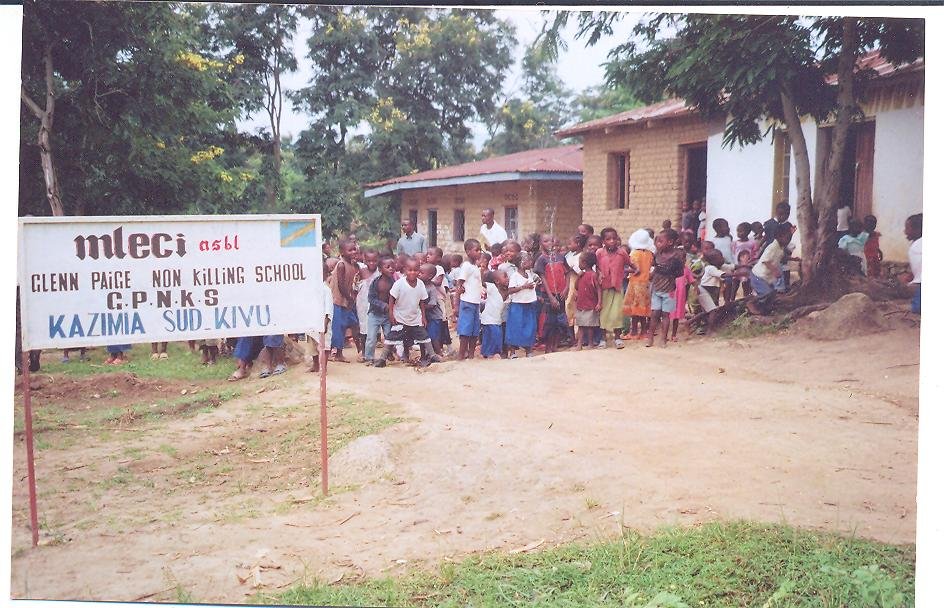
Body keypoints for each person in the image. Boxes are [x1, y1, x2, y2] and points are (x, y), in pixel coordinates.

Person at [388, 259, 438, 367]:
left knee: (424, 336)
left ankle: (432, 355)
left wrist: (423, 317)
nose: (412, 272)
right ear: (405, 270)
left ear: (418, 271)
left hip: (415, 317)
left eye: (415, 270)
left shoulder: (420, 284)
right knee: (393, 336)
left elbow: (422, 302)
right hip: (400, 316)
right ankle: (383, 358)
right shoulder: (399, 284)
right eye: (410, 270)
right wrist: (391, 314)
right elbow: (391, 299)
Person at [595, 227, 637, 349]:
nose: (612, 241)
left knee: (617, 313)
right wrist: (599, 273)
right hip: (604, 287)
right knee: (603, 313)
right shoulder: (599, 253)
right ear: (603, 241)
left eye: (614, 238)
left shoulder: (622, 253)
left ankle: (617, 337)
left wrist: (637, 270)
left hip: (617, 287)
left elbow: (630, 263)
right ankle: (603, 339)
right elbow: (596, 266)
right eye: (608, 239)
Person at [646, 230, 685, 348]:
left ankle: (663, 339)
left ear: (670, 242)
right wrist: (652, 276)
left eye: (660, 241)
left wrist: (668, 274)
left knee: (665, 315)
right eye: (657, 241)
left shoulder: (676, 257)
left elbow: (680, 273)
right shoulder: (657, 255)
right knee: (654, 314)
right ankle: (650, 338)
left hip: (669, 290)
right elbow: (653, 268)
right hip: (656, 288)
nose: (657, 243)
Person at [747, 223, 793, 315]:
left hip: (766, 277)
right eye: (787, 238)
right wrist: (775, 270)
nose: (788, 241)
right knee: (766, 293)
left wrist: (794, 259)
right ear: (779, 236)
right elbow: (765, 261)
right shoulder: (772, 247)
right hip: (758, 276)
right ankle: (751, 302)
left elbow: (781, 257)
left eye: (790, 238)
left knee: (772, 294)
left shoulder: (781, 247)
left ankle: (765, 310)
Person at [535, 235, 569, 354]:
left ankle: (555, 345)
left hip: (561, 294)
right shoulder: (541, 259)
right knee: (549, 321)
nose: (549, 243)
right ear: (540, 244)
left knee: (560, 321)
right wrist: (550, 296)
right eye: (545, 241)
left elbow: (567, 273)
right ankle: (548, 347)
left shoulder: (560, 257)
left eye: (551, 240)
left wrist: (566, 288)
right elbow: (543, 278)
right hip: (548, 295)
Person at [329, 240, 360, 362]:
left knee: (352, 324)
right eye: (350, 250)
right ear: (342, 252)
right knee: (338, 327)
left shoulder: (353, 265)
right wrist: (349, 297)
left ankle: (358, 351)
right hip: (338, 300)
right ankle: (337, 353)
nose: (353, 251)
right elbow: (341, 285)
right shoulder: (341, 265)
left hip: (347, 300)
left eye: (354, 249)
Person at [505, 251, 538, 358]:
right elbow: (510, 290)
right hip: (517, 305)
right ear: (522, 263)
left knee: (530, 326)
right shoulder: (515, 276)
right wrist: (523, 287)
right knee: (515, 327)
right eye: (528, 261)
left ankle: (528, 350)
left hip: (529, 304)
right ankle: (513, 352)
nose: (531, 262)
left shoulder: (529, 274)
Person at [454, 238, 483, 360]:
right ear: (468, 251)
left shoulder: (475, 267)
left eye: (480, 250)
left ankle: (471, 355)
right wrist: (456, 304)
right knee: (465, 330)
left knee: (474, 330)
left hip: (475, 302)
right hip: (467, 302)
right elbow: (459, 284)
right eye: (477, 250)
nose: (480, 252)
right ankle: (461, 355)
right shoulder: (466, 266)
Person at [623, 229, 654, 339]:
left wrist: (623, 270)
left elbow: (636, 270)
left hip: (635, 283)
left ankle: (634, 332)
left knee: (635, 310)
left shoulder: (634, 253)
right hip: (645, 283)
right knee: (642, 309)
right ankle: (644, 332)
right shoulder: (649, 254)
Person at [365, 258, 396, 366]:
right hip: (375, 314)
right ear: (380, 269)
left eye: (393, 266)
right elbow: (371, 298)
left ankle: (388, 353)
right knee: (371, 337)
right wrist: (383, 305)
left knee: (389, 336)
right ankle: (369, 357)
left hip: (388, 315)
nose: (391, 269)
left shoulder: (395, 283)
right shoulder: (376, 282)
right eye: (388, 267)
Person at [697, 249, 734, 334]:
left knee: (708, 311)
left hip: (710, 291)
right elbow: (724, 275)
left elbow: (732, 267)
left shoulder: (719, 266)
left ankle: (691, 322)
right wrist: (739, 274)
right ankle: (710, 330)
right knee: (713, 311)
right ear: (713, 261)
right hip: (704, 291)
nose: (722, 259)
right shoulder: (711, 268)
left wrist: (745, 265)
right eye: (720, 257)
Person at [354, 249, 380, 361]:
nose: (372, 263)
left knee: (374, 330)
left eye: (374, 261)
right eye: (369, 261)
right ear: (364, 260)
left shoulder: (380, 272)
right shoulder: (361, 272)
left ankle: (374, 352)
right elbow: (355, 286)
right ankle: (364, 352)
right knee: (363, 328)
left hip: (376, 304)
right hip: (363, 303)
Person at [574, 251, 602, 351]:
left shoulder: (593, 275)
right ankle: (579, 344)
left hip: (591, 305)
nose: (579, 264)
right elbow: (576, 287)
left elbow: (599, 289)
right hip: (581, 304)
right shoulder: (581, 275)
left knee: (590, 326)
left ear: (585, 263)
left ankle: (590, 343)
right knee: (581, 325)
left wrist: (599, 302)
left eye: (580, 262)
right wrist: (578, 277)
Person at [419, 263, 447, 357]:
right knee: (423, 335)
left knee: (433, 336)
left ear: (430, 276)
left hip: (434, 317)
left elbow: (432, 304)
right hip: (425, 316)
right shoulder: (419, 286)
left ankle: (438, 352)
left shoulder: (431, 288)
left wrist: (421, 306)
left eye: (421, 273)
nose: (418, 274)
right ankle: (424, 354)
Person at [480, 270, 508, 359]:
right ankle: (492, 353)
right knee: (494, 336)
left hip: (496, 320)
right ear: (497, 281)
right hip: (489, 319)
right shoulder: (492, 288)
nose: (508, 278)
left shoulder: (506, 290)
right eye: (505, 276)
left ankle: (488, 353)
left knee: (494, 336)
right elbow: (482, 283)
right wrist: (481, 270)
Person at [901, 213, 921, 314]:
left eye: (907, 228)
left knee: (917, 308)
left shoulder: (917, 246)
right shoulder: (917, 245)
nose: (905, 231)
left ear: (918, 230)